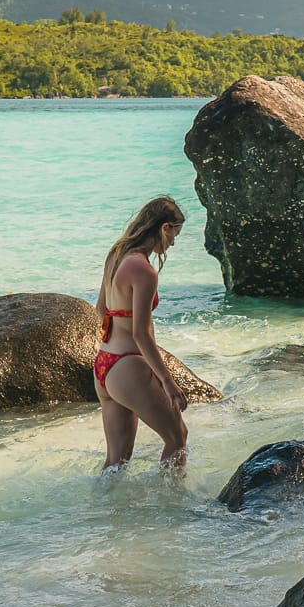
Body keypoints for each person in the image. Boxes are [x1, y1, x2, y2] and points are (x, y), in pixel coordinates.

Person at [94, 196, 188, 470]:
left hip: (104, 366)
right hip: (127, 366)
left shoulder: (116, 255)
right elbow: (141, 334)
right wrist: (167, 382)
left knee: (115, 462)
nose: (173, 242)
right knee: (177, 437)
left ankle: (100, 510)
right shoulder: (144, 270)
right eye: (174, 234)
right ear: (164, 227)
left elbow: (101, 309)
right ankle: (173, 507)